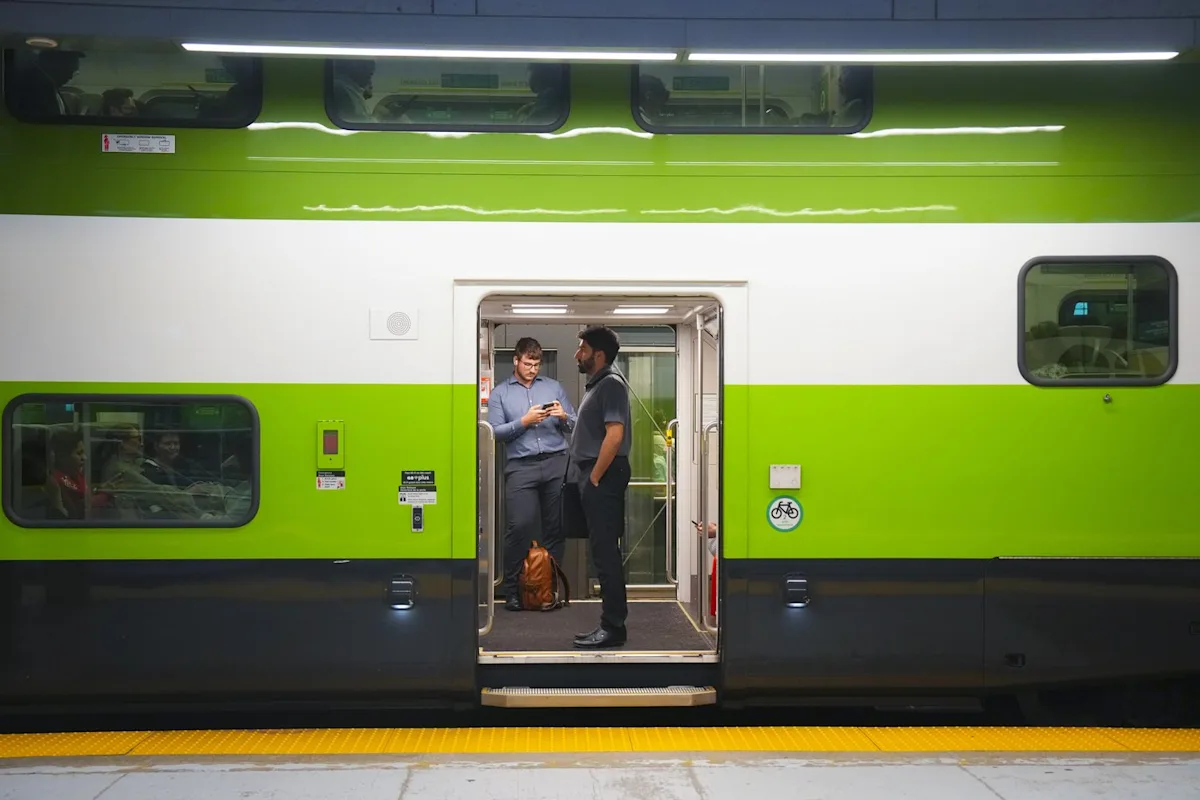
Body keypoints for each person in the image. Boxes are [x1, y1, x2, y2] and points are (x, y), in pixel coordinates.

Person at [487, 337, 576, 610]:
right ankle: (512, 591)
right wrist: (523, 422)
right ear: (516, 360)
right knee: (520, 526)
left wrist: (563, 416)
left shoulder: (553, 387)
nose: (533, 369)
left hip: (556, 462)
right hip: (521, 466)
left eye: (536, 364)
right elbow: (493, 433)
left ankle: (549, 591)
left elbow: (574, 424)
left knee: (556, 528)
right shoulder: (500, 393)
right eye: (528, 363)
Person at [566, 326, 632, 649]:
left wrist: (593, 478)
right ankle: (611, 623)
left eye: (582, 349)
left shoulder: (611, 386)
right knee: (601, 552)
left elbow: (614, 435)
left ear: (599, 355)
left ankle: (613, 627)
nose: (577, 354)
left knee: (606, 554)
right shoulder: (597, 386)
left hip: (602, 477)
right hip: (595, 476)